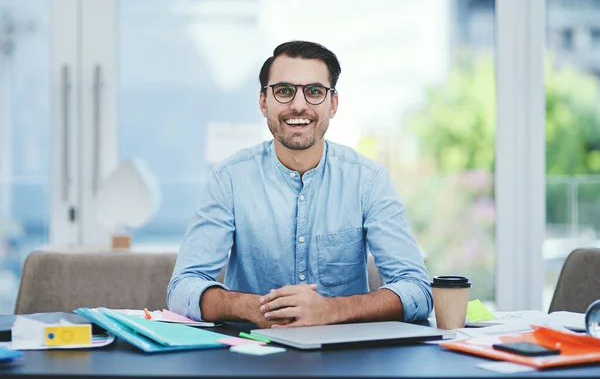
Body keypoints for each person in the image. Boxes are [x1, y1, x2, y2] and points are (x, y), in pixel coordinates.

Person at [167, 40, 433, 329]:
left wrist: (330, 310)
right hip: (250, 356)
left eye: (314, 92)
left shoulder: (369, 181)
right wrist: (255, 308)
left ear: (333, 104)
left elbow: (417, 289)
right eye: (284, 91)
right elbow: (182, 289)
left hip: (348, 359)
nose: (298, 105)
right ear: (262, 102)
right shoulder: (229, 179)